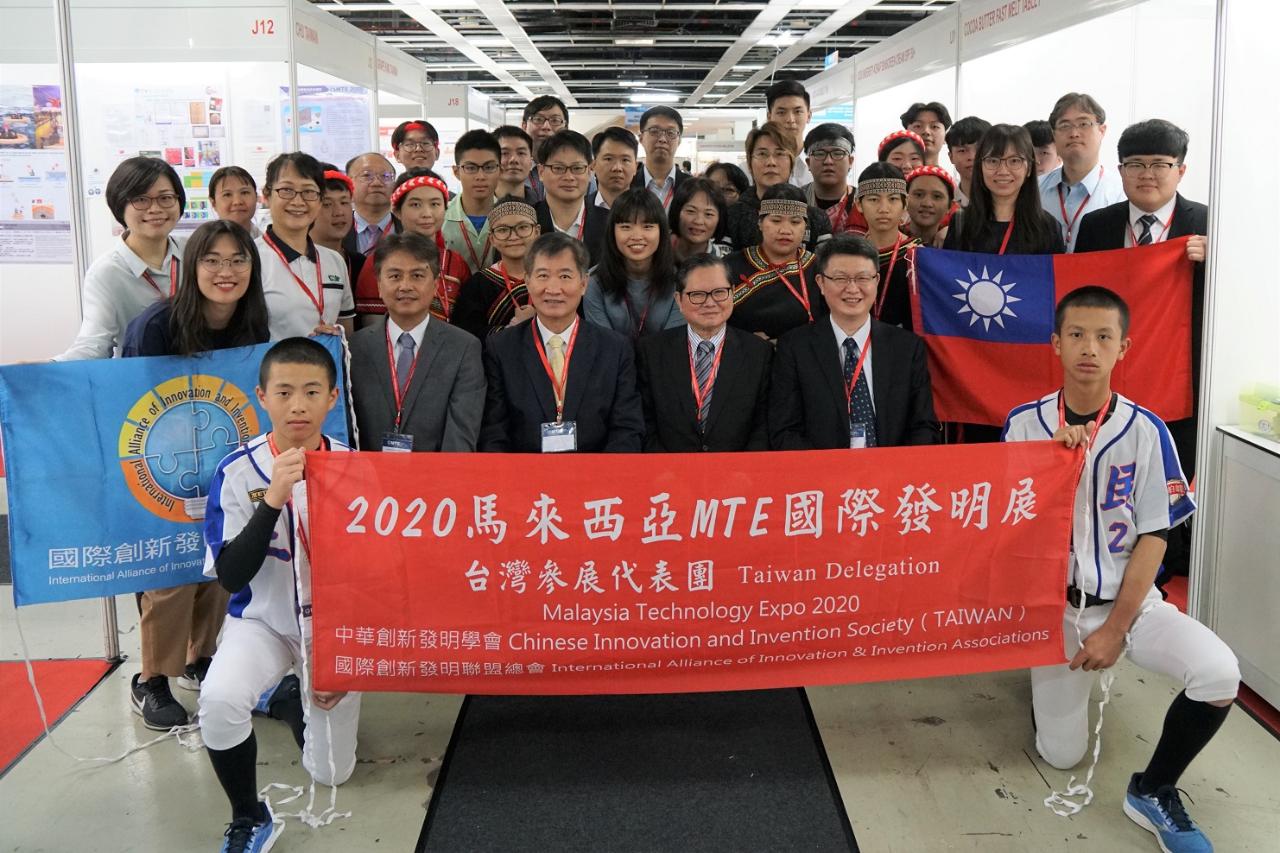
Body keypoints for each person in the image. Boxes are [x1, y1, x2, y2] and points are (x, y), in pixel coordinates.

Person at [1001, 286, 1238, 853]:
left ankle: (1153, 790)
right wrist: (1045, 468)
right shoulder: (1023, 424)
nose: (1090, 347)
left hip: (1130, 606)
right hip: (1055, 608)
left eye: (1104, 336)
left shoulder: (1147, 429)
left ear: (1123, 348)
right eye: (1077, 334)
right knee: (1061, 757)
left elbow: (1156, 535)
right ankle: (1045, 686)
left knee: (1219, 674)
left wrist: (1115, 629)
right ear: (1055, 343)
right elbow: (1006, 531)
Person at [199, 338, 362, 853]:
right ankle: (249, 816)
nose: (298, 405)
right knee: (220, 700)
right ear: (261, 397)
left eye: (312, 391)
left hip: (334, 628)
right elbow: (230, 575)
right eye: (284, 392)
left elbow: (379, 576)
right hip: (263, 622)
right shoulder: (237, 469)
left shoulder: (360, 467)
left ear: (332, 398)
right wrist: (273, 499)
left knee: (332, 774)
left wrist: (346, 661)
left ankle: (289, 698)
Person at [119, 220, 269, 730]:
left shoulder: (252, 324)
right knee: (172, 574)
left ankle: (199, 659)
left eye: (238, 261)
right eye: (213, 261)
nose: (226, 272)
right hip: (163, 467)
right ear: (191, 267)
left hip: (223, 459)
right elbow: (132, 405)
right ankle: (151, 680)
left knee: (221, 562)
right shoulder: (154, 326)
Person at [1075, 119, 1208, 543]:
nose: (1147, 174)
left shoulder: (1209, 224)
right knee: (1112, 474)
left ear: (1181, 170)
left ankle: (1168, 563)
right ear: (1120, 170)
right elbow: (1079, 297)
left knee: (1171, 479)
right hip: (1114, 372)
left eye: (1160, 164)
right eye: (1135, 164)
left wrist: (1219, 261)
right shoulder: (1097, 227)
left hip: (1180, 377)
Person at [769, 234, 940, 450]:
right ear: (821, 283)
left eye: (862, 278)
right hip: (821, 477)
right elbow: (784, 430)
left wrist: (895, 473)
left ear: (876, 281)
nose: (852, 288)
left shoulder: (907, 347)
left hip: (891, 476)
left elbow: (923, 426)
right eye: (840, 278)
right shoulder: (794, 347)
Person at [479, 232, 644, 453]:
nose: (553, 289)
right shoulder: (501, 348)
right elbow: (494, 432)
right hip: (524, 478)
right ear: (528, 282)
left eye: (565, 276)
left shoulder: (615, 349)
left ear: (584, 283)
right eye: (543, 276)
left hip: (596, 478)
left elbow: (627, 429)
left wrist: (605, 482)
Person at [349, 233, 485, 452]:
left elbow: (461, 434)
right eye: (394, 276)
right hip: (368, 477)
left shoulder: (463, 348)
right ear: (379, 286)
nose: (405, 286)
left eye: (417, 276)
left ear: (435, 285)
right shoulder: (355, 348)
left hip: (435, 479)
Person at [636, 254, 772, 452]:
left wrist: (742, 472)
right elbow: (645, 423)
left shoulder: (759, 353)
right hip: (667, 474)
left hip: (738, 474)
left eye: (719, 292)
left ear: (732, 293)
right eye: (698, 294)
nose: (710, 303)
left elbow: (762, 426)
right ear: (679, 300)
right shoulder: (651, 352)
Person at [56, 156, 186, 360]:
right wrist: (44, 369)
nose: (155, 209)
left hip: (201, 379)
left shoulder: (195, 253)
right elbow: (94, 345)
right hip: (141, 383)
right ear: (120, 205)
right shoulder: (107, 273)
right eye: (141, 200)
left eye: (165, 197)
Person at [256, 152, 355, 340]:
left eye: (309, 191)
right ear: (267, 195)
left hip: (328, 368)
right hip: (269, 368)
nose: (298, 201)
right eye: (286, 190)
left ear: (319, 200)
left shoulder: (334, 260)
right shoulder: (250, 259)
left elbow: (346, 330)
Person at [357, 169, 472, 324]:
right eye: (415, 204)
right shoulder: (379, 260)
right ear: (397, 211)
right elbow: (372, 326)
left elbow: (466, 321)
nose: (427, 213)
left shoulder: (456, 263)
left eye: (435, 204)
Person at [944, 124, 1065, 256]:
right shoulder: (961, 223)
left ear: (1029, 168)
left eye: (1014, 161)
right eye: (993, 161)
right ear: (980, 167)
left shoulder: (1048, 228)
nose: (1003, 171)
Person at [725, 183, 825, 343]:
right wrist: (743, 340)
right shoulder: (730, 266)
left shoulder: (819, 268)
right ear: (760, 222)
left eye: (795, 222)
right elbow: (711, 318)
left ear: (805, 225)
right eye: (776, 220)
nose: (785, 230)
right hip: (747, 358)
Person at [584, 189, 682, 339]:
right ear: (612, 232)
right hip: (613, 361)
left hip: (663, 361)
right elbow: (604, 344)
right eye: (626, 227)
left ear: (662, 232)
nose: (637, 236)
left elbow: (671, 344)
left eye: (647, 226)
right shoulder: (594, 281)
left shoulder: (680, 281)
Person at [1039, 92, 1126, 252]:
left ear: (1102, 130)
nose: (1074, 133)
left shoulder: (1121, 192)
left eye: (1084, 124)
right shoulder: (1035, 190)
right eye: (1065, 125)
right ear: (1054, 135)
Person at [725, 122, 831, 252]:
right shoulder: (732, 215)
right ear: (749, 161)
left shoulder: (815, 217)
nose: (771, 162)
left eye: (780, 154)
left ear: (792, 162)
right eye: (762, 154)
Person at [453, 197, 541, 339]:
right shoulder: (477, 285)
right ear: (492, 238)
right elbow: (467, 333)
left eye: (523, 227)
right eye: (503, 230)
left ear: (537, 232)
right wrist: (510, 329)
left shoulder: (552, 278)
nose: (513, 236)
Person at [852, 163, 920, 331]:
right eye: (873, 199)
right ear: (859, 204)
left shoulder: (919, 255)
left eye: (893, 199)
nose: (883, 209)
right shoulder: (848, 255)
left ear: (905, 203)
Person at [533, 130, 608, 266]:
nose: (569, 177)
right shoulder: (527, 221)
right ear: (541, 172)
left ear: (590, 171)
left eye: (577, 168)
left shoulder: (610, 223)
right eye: (559, 168)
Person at [443, 129, 500, 274]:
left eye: (489, 167)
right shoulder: (439, 218)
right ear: (456, 172)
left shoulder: (511, 218)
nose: (480, 176)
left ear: (500, 170)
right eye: (471, 168)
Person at [801, 123, 865, 235]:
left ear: (850, 161)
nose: (828, 161)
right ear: (808, 163)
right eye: (820, 154)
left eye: (838, 153)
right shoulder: (797, 199)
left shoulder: (864, 201)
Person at [309, 168, 360, 289]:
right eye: (327, 204)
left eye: (344, 202)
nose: (339, 212)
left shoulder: (359, 263)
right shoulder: (297, 263)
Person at [633, 106, 689, 211]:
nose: (662, 139)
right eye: (654, 131)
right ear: (641, 138)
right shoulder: (627, 186)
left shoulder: (692, 187)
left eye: (671, 133)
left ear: (679, 141)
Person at [344, 151, 397, 256]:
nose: (377, 183)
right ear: (349, 183)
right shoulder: (335, 228)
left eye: (385, 176)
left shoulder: (408, 229)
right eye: (367, 175)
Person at [669, 177, 731, 262]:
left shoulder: (725, 262)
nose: (698, 221)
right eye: (691, 211)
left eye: (708, 214)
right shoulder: (656, 254)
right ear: (676, 211)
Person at [521, 95, 570, 202]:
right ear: (524, 126)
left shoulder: (578, 171)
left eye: (555, 120)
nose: (546, 127)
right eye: (538, 119)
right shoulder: (513, 167)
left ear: (566, 127)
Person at [764, 79, 813, 186]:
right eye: (781, 112)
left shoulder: (818, 165)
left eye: (798, 112)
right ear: (769, 117)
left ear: (809, 116)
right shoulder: (755, 168)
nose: (790, 119)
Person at [945, 116, 992, 208]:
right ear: (951, 157)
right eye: (962, 150)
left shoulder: (1007, 202)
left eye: (979, 149)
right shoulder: (945, 205)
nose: (972, 157)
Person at [905, 165, 956, 248]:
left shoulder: (958, 243)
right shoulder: (890, 238)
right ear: (905, 200)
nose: (927, 203)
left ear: (950, 205)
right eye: (918, 195)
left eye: (937, 196)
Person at [590, 126, 639, 211]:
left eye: (625, 160)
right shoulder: (579, 209)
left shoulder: (648, 211)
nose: (617, 168)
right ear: (593, 164)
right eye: (608, 159)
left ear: (635, 167)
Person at [209, 166, 260, 237]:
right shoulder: (202, 246)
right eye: (227, 194)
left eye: (244, 192)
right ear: (213, 203)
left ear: (256, 197)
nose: (237, 201)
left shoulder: (268, 245)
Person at [901, 101, 952, 167]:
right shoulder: (891, 175)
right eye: (918, 126)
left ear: (945, 137)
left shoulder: (947, 177)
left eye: (934, 126)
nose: (926, 131)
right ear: (906, 134)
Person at [494, 125, 537, 201]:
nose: (514, 159)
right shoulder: (474, 207)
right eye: (504, 153)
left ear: (531, 161)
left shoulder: (544, 209)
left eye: (521, 153)